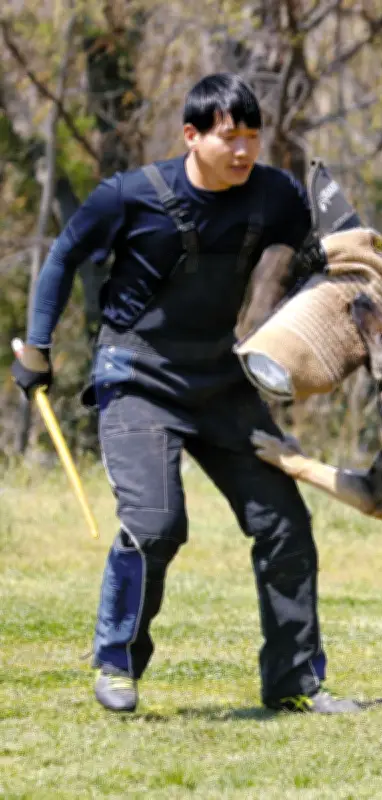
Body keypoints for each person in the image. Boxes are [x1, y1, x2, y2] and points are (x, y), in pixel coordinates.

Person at [11, 73, 362, 715]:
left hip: (222, 380)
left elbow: (311, 255)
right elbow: (63, 257)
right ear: (191, 136)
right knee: (155, 525)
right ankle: (117, 663)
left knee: (283, 522)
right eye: (230, 137)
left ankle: (296, 682)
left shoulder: (277, 194)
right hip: (137, 376)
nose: (244, 151)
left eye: (253, 137)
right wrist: (37, 348)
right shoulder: (130, 197)